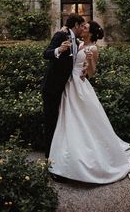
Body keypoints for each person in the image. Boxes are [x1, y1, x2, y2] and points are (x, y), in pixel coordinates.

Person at [48, 20, 130, 184]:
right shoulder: (78, 43)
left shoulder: (92, 48)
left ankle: (81, 159)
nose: (82, 28)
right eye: (82, 26)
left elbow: (91, 73)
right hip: (69, 84)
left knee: (80, 120)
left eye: (85, 27)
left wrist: (89, 61)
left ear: (91, 33)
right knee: (67, 119)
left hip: (79, 86)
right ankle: (66, 156)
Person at [42, 13, 85, 159]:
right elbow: (45, 54)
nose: (83, 29)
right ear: (76, 25)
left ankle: (60, 154)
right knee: (51, 123)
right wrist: (58, 50)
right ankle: (49, 158)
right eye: (82, 26)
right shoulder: (60, 36)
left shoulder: (76, 40)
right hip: (52, 88)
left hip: (65, 89)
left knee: (61, 123)